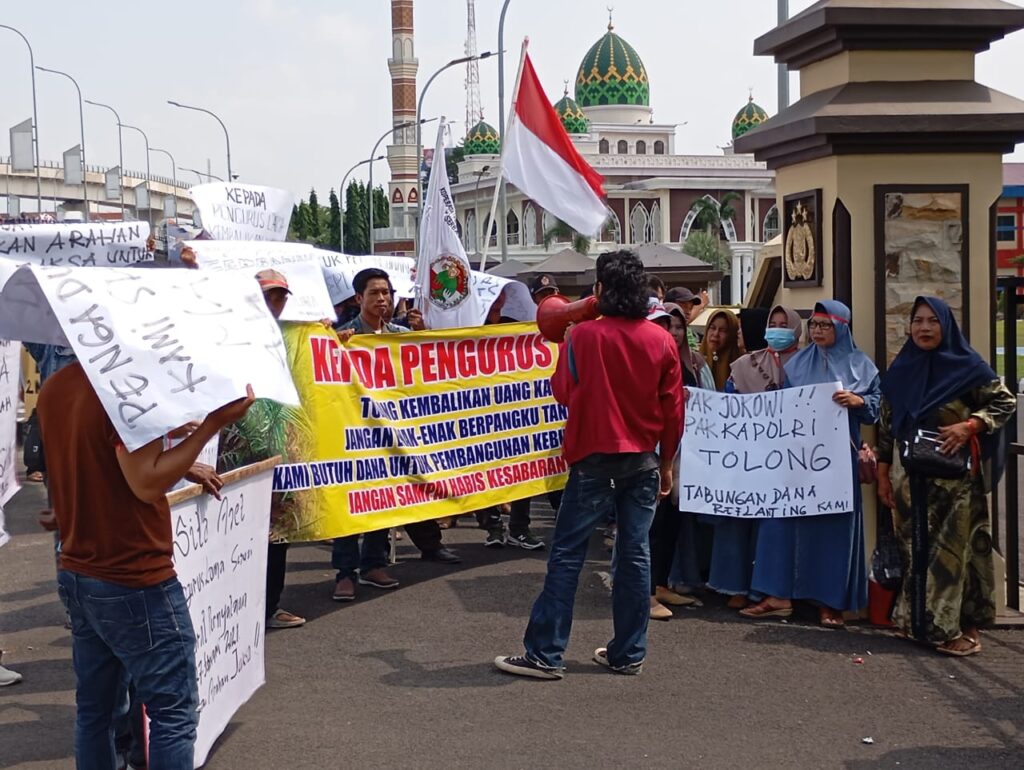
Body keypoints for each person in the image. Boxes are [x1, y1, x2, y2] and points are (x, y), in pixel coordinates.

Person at [39, 357, 254, 767]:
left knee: (95, 712)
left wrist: (169, 436)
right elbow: (145, 482)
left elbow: (100, 457)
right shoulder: (128, 387)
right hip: (133, 576)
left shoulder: (57, 386)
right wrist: (211, 424)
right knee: (172, 714)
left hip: (79, 567)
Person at [495, 250, 683, 679]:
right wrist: (668, 464)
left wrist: (569, 341)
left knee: (567, 555)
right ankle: (628, 652)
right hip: (643, 461)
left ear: (600, 289)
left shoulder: (583, 336)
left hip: (593, 460)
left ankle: (545, 654)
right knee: (634, 555)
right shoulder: (661, 340)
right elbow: (674, 410)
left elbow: (563, 392)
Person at [877, 297, 1015, 656]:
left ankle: (967, 631)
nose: (924, 328)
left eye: (932, 321)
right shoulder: (902, 369)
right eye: (918, 321)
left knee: (957, 555)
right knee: (915, 551)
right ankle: (919, 624)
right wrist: (882, 474)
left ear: (946, 326)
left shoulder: (968, 368)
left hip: (954, 486)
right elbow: (888, 424)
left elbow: (1004, 402)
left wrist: (970, 426)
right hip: (910, 482)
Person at [742, 300, 880, 627]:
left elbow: (876, 410)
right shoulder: (799, 364)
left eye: (825, 325)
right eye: (814, 325)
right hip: (797, 459)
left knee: (832, 529)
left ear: (841, 328)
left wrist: (858, 401)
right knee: (781, 524)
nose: (817, 331)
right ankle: (777, 595)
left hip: (837, 462)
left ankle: (829, 603)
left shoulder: (861, 365)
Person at [330, 268, 460, 603]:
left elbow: (427, 369)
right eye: (374, 293)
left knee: (384, 499)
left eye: (386, 292)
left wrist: (422, 335)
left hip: (392, 435)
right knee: (351, 504)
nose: (382, 299)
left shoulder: (401, 335)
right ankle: (345, 573)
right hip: (355, 436)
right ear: (359, 298)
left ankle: (373, 565)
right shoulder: (343, 336)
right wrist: (336, 347)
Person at [708, 307, 804, 610]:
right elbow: (727, 408)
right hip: (748, 457)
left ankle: (768, 590)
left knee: (773, 527)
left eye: (784, 325)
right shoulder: (744, 366)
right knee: (738, 520)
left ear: (796, 329)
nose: (777, 330)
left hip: (792, 462)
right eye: (772, 324)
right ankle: (735, 585)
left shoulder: (808, 364)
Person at [699, 310, 742, 391]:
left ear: (732, 335)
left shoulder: (741, 366)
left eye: (723, 330)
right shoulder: (696, 363)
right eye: (712, 328)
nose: (716, 334)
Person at [664, 287, 702, 351]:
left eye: (690, 308)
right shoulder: (659, 330)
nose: (688, 312)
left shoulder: (688, 332)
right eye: (683, 306)